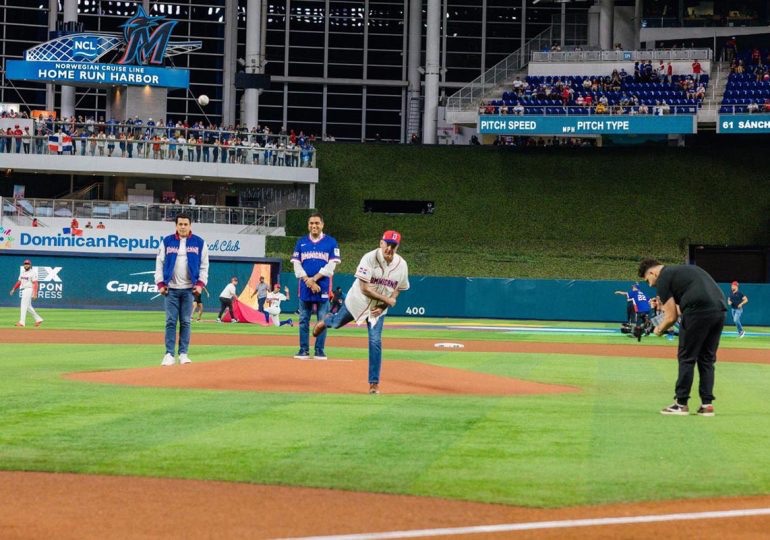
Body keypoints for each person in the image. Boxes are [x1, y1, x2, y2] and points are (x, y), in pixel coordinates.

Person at [313, 230, 410, 394]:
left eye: (394, 246)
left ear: (397, 247)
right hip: (356, 302)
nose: (390, 249)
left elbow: (398, 289)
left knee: (375, 341)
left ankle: (374, 383)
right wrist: (387, 301)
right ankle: (327, 320)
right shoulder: (369, 258)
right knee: (336, 323)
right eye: (387, 244)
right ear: (381, 243)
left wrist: (383, 307)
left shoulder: (402, 265)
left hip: (376, 311)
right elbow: (365, 289)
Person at [638, 258, 726, 417]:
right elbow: (678, 310)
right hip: (719, 311)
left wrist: (658, 329)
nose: (650, 284)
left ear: (652, 272)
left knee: (687, 357)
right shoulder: (683, 271)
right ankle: (707, 405)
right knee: (706, 358)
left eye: (647, 280)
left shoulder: (663, 278)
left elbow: (671, 317)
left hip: (697, 311)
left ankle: (681, 404)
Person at [154, 213, 209, 366]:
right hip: (170, 289)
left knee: (185, 321)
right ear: (176, 226)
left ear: (190, 225)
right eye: (180, 224)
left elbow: (204, 266)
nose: (183, 227)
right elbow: (159, 264)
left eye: (186, 224)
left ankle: (183, 354)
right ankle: (169, 354)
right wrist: (160, 284)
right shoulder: (167, 241)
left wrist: (200, 284)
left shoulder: (199, 243)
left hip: (189, 290)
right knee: (171, 321)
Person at [291, 212, 341, 360]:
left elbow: (331, 267)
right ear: (308, 225)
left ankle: (319, 350)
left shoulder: (331, 242)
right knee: (303, 320)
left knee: (322, 320)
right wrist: (308, 281)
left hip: (323, 286)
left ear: (322, 225)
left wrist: (314, 279)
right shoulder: (301, 242)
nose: (314, 226)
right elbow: (296, 265)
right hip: (305, 287)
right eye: (311, 223)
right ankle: (303, 350)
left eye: (317, 223)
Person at [9, 259, 44, 328]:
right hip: (24, 289)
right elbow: (19, 282)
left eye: (27, 264)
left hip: (29, 289)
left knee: (23, 305)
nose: (26, 265)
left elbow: (35, 283)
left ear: (30, 265)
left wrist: (35, 293)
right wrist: (13, 289)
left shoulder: (33, 273)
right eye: (25, 264)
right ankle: (38, 319)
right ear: (24, 265)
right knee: (28, 306)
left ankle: (22, 322)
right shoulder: (22, 272)